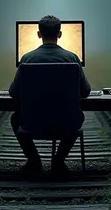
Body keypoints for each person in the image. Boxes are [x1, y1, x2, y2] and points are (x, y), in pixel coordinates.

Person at [8, 15, 91, 176]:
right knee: (78, 117)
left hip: (32, 122)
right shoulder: (72, 59)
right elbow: (85, 91)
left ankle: (34, 161)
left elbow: (13, 92)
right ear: (60, 34)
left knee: (15, 118)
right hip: (66, 122)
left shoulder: (27, 59)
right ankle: (59, 160)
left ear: (39, 34)